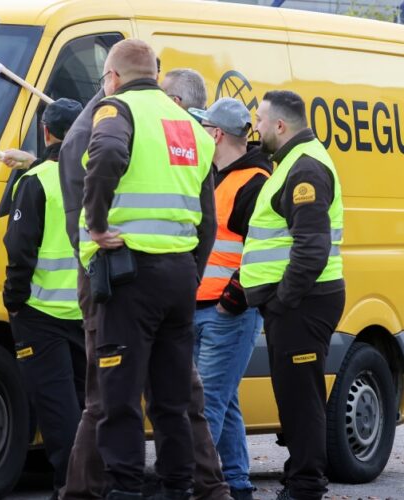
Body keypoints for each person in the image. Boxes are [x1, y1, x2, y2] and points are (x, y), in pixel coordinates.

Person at [81, 40, 216, 500]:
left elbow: (105, 157)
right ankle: (179, 489)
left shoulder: (117, 111)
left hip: (130, 275)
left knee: (119, 396)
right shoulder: (192, 125)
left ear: (113, 77)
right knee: (172, 400)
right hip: (179, 277)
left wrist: (97, 224)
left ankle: (124, 491)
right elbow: (208, 218)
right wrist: (190, 269)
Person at [241, 90, 345, 500]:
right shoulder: (293, 164)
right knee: (295, 395)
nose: (257, 128)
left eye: (262, 121)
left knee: (301, 400)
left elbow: (312, 248)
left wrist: (283, 300)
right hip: (301, 301)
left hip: (303, 302)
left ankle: (305, 486)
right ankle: (301, 476)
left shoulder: (304, 169)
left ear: (280, 125)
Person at [188, 98, 272, 500]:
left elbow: (262, 249)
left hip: (227, 310)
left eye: (204, 128)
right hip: (203, 305)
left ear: (216, 134)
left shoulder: (255, 181)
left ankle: (189, 483)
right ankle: (237, 483)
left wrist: (233, 300)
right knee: (224, 399)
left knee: (206, 403)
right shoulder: (213, 175)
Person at [2, 97, 85, 500]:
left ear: (47, 131)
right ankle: (93, 482)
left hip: (41, 311)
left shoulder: (37, 181)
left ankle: (70, 487)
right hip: (89, 309)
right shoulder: (98, 172)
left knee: (57, 408)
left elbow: (20, 248)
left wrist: (13, 299)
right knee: (88, 405)